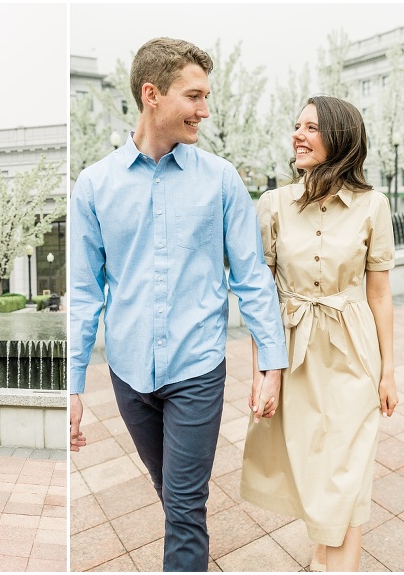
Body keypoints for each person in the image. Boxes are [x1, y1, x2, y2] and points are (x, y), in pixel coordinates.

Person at [70, 37, 288, 572]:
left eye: (206, 97)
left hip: (197, 368)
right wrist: (72, 385)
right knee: (171, 497)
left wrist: (272, 362)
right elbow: (83, 293)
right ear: (152, 95)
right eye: (194, 96)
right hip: (128, 373)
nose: (204, 110)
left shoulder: (221, 181)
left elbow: (252, 278)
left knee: (186, 509)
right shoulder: (94, 186)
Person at [240, 96, 399, 572]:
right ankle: (321, 558)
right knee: (313, 468)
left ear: (340, 136)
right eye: (297, 125)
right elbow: (260, 298)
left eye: (311, 127)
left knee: (349, 467)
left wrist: (389, 371)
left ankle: (338, 567)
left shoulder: (373, 205)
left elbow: (381, 295)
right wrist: (261, 372)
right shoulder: (272, 205)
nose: (298, 135)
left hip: (354, 350)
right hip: (295, 351)